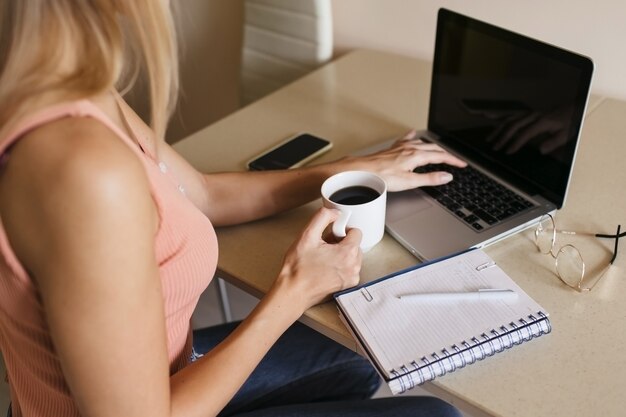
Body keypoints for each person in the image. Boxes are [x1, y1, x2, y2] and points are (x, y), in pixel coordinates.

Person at [0, 2, 466, 416]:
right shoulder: (83, 171)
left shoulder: (74, 87)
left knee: (356, 354)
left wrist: (348, 170)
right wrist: (292, 292)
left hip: (168, 376)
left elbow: (200, 194)